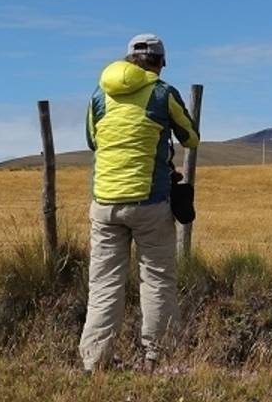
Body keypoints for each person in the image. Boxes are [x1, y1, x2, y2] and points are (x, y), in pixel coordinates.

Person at [79, 34, 200, 372]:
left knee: (103, 283)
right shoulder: (162, 93)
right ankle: (158, 358)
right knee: (158, 279)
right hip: (150, 202)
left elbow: (92, 141)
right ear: (160, 63)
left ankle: (94, 361)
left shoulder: (99, 95)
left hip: (104, 203)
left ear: (128, 60)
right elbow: (191, 136)